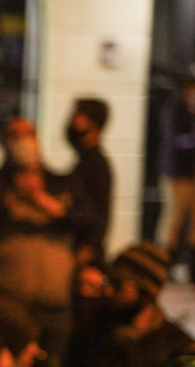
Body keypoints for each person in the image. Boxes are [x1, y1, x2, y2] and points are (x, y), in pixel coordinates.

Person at [0, 117, 94, 360]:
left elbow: (90, 219)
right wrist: (7, 203)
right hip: (9, 303)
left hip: (55, 302)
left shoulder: (62, 183)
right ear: (5, 143)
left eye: (29, 135)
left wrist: (49, 205)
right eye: (16, 136)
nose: (23, 143)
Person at [65, 242, 192, 367]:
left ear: (149, 293)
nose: (108, 292)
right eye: (109, 281)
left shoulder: (175, 345)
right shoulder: (90, 334)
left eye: (119, 286)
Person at [159, 73, 195, 288]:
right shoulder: (175, 107)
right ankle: (163, 267)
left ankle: (194, 271)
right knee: (175, 219)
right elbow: (175, 141)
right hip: (177, 172)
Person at [66, 98, 113, 265]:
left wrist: (90, 247)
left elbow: (101, 211)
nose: (71, 121)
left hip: (86, 253)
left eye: (77, 116)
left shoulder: (95, 164)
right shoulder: (85, 160)